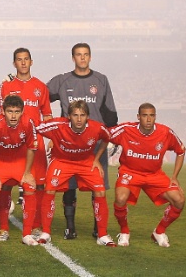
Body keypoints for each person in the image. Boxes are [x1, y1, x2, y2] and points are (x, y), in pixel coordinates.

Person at [46, 43, 118, 239]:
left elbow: (110, 113)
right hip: (68, 142)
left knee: (98, 186)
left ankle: (98, 228)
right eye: (78, 55)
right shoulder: (62, 80)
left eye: (86, 54)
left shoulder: (101, 80)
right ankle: (70, 227)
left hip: (94, 143)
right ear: (73, 58)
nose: (82, 58)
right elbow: (41, 98)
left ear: (90, 57)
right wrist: (54, 133)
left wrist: (109, 136)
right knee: (69, 187)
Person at [35, 100, 116, 246]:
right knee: (49, 189)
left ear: (88, 116)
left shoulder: (97, 128)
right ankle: (46, 232)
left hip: (86, 162)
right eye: (75, 115)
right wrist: (52, 138)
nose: (79, 119)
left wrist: (97, 159)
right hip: (62, 161)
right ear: (69, 116)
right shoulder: (58, 125)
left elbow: (107, 138)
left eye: (82, 115)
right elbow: (34, 126)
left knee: (100, 191)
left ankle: (102, 234)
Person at [109, 103, 186, 247]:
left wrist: (174, 177)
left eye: (152, 115)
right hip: (130, 173)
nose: (149, 119)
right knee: (120, 198)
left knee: (179, 200)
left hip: (154, 175)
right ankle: (124, 232)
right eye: (145, 115)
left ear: (155, 116)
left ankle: (159, 232)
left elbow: (181, 151)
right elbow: (104, 134)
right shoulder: (126, 129)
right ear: (138, 117)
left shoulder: (166, 133)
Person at [0, 48, 52, 242]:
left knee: (37, 185)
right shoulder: (6, 86)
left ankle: (35, 224)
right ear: (14, 63)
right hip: (11, 144)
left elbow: (47, 115)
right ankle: (3, 227)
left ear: (31, 62)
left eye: (26, 59)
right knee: (4, 186)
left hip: (34, 144)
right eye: (19, 60)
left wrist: (51, 138)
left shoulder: (40, 87)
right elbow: (0, 114)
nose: (22, 63)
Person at [0, 95, 39, 247]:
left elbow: (31, 147)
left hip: (19, 162)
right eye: (10, 111)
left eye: (17, 111)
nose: (13, 115)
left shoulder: (29, 122)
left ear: (22, 111)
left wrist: (28, 172)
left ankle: (27, 234)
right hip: (1, 162)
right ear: (3, 112)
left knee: (30, 187)